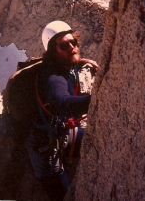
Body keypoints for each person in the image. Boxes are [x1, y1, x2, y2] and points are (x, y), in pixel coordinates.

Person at [25, 20, 98, 201]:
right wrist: (99, 100)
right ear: (52, 50)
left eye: (73, 42)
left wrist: (82, 62)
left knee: (96, 138)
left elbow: (73, 62)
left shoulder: (65, 64)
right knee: (63, 195)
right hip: (45, 147)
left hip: (61, 132)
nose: (72, 47)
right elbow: (62, 103)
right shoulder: (53, 76)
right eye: (64, 45)